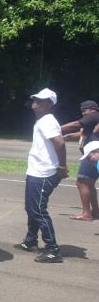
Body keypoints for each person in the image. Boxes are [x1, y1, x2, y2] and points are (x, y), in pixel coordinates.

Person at [16, 88, 69, 263]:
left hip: (44, 173)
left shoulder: (47, 121)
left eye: (41, 99)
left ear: (50, 104)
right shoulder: (42, 120)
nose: (36, 101)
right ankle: (30, 241)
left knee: (37, 209)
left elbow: (60, 143)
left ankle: (53, 250)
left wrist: (62, 166)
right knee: (31, 208)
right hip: (36, 171)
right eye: (36, 98)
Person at [60, 100, 99, 221]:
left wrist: (56, 127)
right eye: (82, 111)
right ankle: (96, 212)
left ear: (93, 109)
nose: (83, 113)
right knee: (89, 183)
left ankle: (86, 214)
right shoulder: (94, 120)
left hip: (93, 153)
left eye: (85, 110)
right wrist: (69, 136)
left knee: (81, 182)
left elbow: (77, 124)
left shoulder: (95, 116)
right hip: (93, 152)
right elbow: (82, 132)